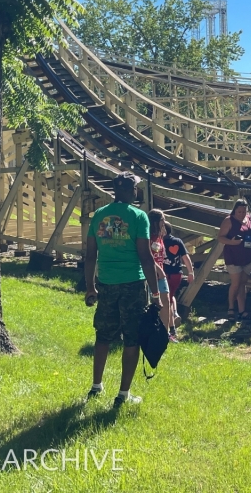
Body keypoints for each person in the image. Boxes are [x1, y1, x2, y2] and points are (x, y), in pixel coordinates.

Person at [84, 172, 158, 407]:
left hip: (106, 283)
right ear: (131, 191)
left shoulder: (100, 215)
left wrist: (90, 287)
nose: (137, 191)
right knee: (131, 338)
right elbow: (146, 257)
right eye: (135, 188)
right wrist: (156, 293)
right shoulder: (139, 216)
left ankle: (96, 386)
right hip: (133, 284)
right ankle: (123, 394)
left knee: (103, 335)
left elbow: (90, 254)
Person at [218, 198, 251, 320]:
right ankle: (231, 308)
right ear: (235, 210)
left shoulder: (249, 219)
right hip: (234, 257)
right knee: (235, 284)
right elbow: (220, 237)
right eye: (239, 211)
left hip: (247, 257)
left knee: (243, 283)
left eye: (244, 211)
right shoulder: (228, 221)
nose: (241, 214)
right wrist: (232, 242)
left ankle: (242, 310)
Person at [163, 222, 194, 341]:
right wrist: (190, 272)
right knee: (170, 296)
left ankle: (171, 328)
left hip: (164, 274)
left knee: (167, 299)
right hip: (177, 274)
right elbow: (186, 258)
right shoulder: (178, 241)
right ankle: (174, 314)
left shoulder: (158, 242)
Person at [148, 209, 173, 334]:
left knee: (166, 300)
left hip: (161, 271)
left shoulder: (160, 236)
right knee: (150, 302)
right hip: (152, 272)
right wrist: (158, 269)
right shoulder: (148, 236)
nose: (164, 222)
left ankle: (165, 332)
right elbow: (146, 254)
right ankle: (150, 330)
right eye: (162, 220)